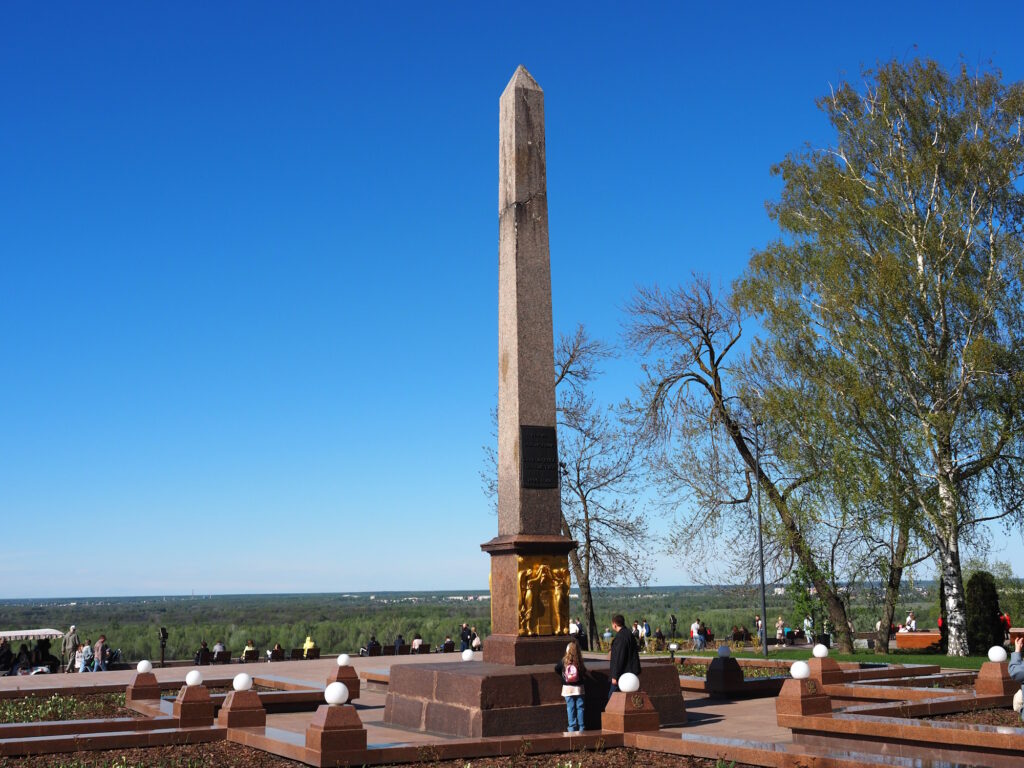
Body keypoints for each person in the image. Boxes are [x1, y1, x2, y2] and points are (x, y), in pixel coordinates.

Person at [555, 640, 586, 732]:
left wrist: (563, 676)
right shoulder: (579, 661)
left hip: (568, 688)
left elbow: (556, 668)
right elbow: (584, 671)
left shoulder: (564, 661)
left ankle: (572, 727)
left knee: (570, 707)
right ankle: (581, 727)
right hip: (579, 688)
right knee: (580, 707)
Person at [608, 613, 641, 698]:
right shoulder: (629, 634)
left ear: (614, 625)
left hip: (622, 676)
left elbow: (619, 657)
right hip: (631, 674)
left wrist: (615, 676)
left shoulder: (620, 637)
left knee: (612, 699)